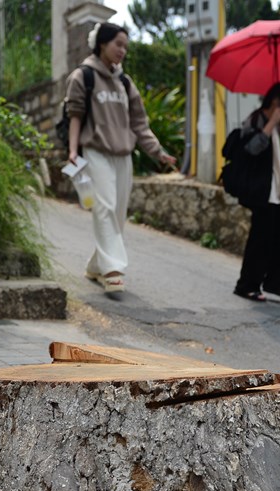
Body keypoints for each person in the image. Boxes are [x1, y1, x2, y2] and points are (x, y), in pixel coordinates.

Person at [64, 22, 176, 293]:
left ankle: (95, 267)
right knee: (104, 206)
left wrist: (158, 151)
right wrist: (72, 150)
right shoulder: (83, 76)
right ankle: (113, 270)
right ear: (102, 43)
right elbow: (74, 115)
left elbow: (139, 124)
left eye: (125, 46)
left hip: (123, 155)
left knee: (117, 213)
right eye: (118, 44)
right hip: (95, 151)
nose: (122, 51)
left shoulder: (125, 83)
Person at [232, 82, 280, 302]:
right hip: (260, 193)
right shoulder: (255, 120)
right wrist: (270, 124)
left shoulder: (275, 125)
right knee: (260, 240)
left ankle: (274, 282)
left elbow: (275, 162)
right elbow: (251, 149)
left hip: (274, 193)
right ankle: (246, 285)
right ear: (277, 102)